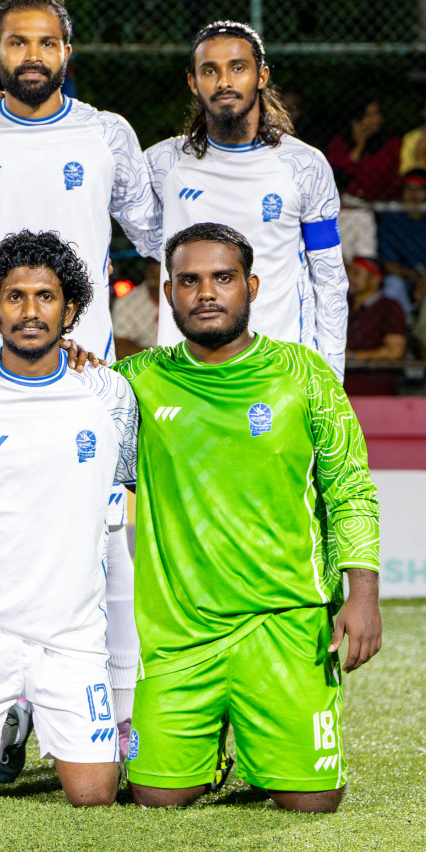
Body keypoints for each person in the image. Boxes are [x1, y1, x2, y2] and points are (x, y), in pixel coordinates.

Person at [0, 0, 160, 772]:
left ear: (67, 52)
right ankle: (4, 713)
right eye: (17, 43)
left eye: (47, 42)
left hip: (83, 369)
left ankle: (115, 717)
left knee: (104, 545)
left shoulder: (108, 134)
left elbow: (157, 228)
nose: (32, 56)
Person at [117, 222, 381, 813]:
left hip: (287, 623)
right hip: (181, 632)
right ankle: (212, 749)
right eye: (189, 281)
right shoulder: (136, 382)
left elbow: (350, 488)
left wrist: (362, 592)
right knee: (156, 797)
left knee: (311, 804)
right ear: (168, 294)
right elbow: (49, 390)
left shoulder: (304, 373)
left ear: (251, 287)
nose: (206, 293)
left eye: (223, 278)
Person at [0, 231, 137, 808]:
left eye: (45, 296)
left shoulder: (108, 392)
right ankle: (8, 724)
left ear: (70, 309)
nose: (30, 311)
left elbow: (132, 482)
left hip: (71, 634)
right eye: (15, 297)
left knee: (94, 796)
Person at [146, 21, 346, 377]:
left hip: (279, 375)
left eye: (237, 68)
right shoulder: (163, 163)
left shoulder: (304, 166)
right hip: (187, 376)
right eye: (210, 70)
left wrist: (331, 377)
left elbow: (329, 278)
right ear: (193, 82)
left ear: (261, 76)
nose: (224, 81)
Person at [345, 256, 407, 396]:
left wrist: (354, 356)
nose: (350, 278)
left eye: (356, 273)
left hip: (373, 387)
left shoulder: (390, 308)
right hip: (340, 386)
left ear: (375, 279)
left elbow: (394, 351)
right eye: (349, 272)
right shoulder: (344, 305)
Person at [327, 97, 401, 201]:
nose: (376, 120)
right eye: (369, 116)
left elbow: (393, 179)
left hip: (381, 202)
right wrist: (359, 146)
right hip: (347, 201)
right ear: (356, 121)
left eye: (377, 114)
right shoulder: (339, 143)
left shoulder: (390, 144)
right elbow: (340, 175)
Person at [377, 169, 426, 314]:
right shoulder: (392, 220)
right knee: (392, 284)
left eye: (419, 189)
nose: (413, 194)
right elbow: (389, 265)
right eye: (409, 189)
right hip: (404, 278)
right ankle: (401, 324)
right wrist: (416, 277)